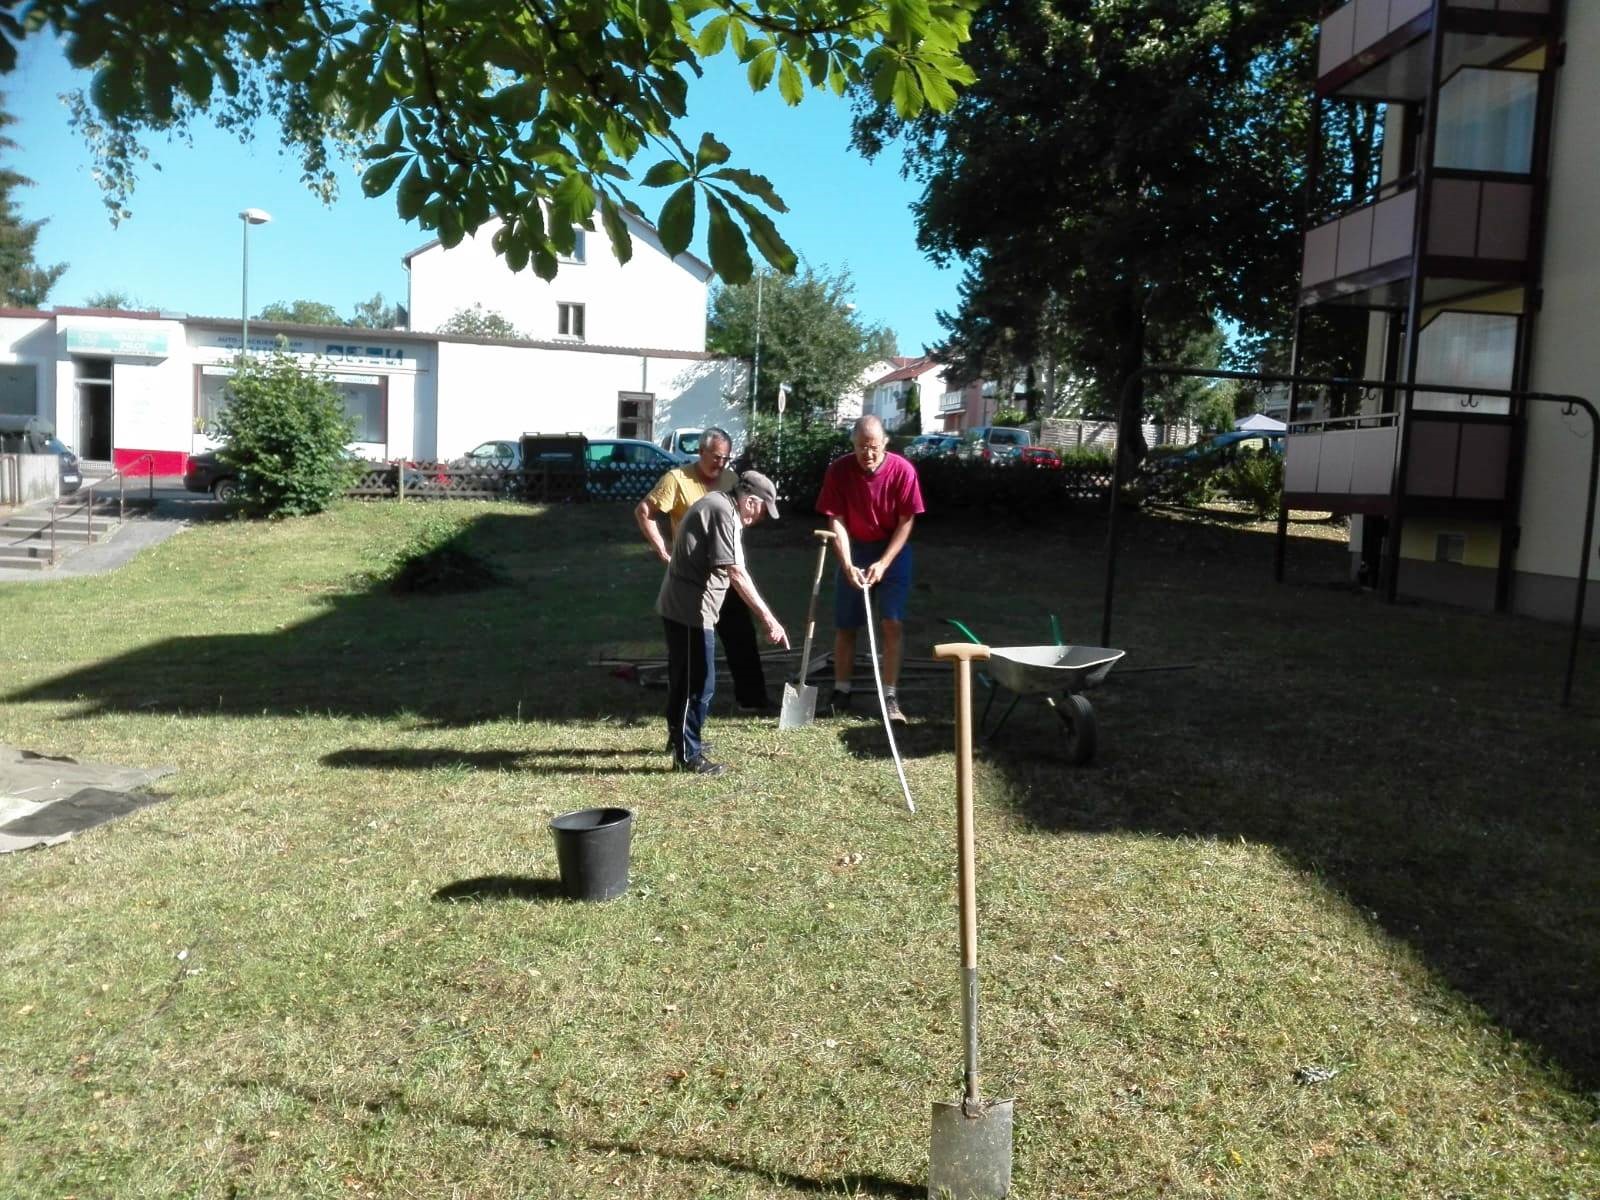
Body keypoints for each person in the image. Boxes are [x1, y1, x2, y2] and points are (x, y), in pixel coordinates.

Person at [657, 472, 789, 775]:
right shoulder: (721, 511)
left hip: (681, 605)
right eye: (763, 509)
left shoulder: (720, 506)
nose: (762, 517)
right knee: (699, 682)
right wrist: (770, 620)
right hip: (690, 609)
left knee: (684, 678)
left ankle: (681, 739)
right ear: (750, 501)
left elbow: (732, 566)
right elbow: (735, 572)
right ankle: (688, 756)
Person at [635, 427, 773, 712]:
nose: (720, 464)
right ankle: (682, 713)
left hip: (726, 572)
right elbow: (644, 512)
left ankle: (753, 699)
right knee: (689, 653)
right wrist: (662, 550)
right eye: (716, 457)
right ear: (701, 452)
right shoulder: (677, 479)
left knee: (741, 636)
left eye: (725, 458)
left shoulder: (733, 480)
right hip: (694, 580)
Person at [815, 414, 925, 723]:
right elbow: (834, 518)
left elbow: (907, 521)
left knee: (892, 622)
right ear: (853, 444)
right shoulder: (839, 471)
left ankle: (889, 696)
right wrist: (847, 563)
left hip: (893, 550)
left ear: (885, 443)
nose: (869, 454)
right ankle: (842, 690)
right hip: (855, 547)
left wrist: (884, 562)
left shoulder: (903, 471)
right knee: (846, 624)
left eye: (874, 447)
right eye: (862, 447)